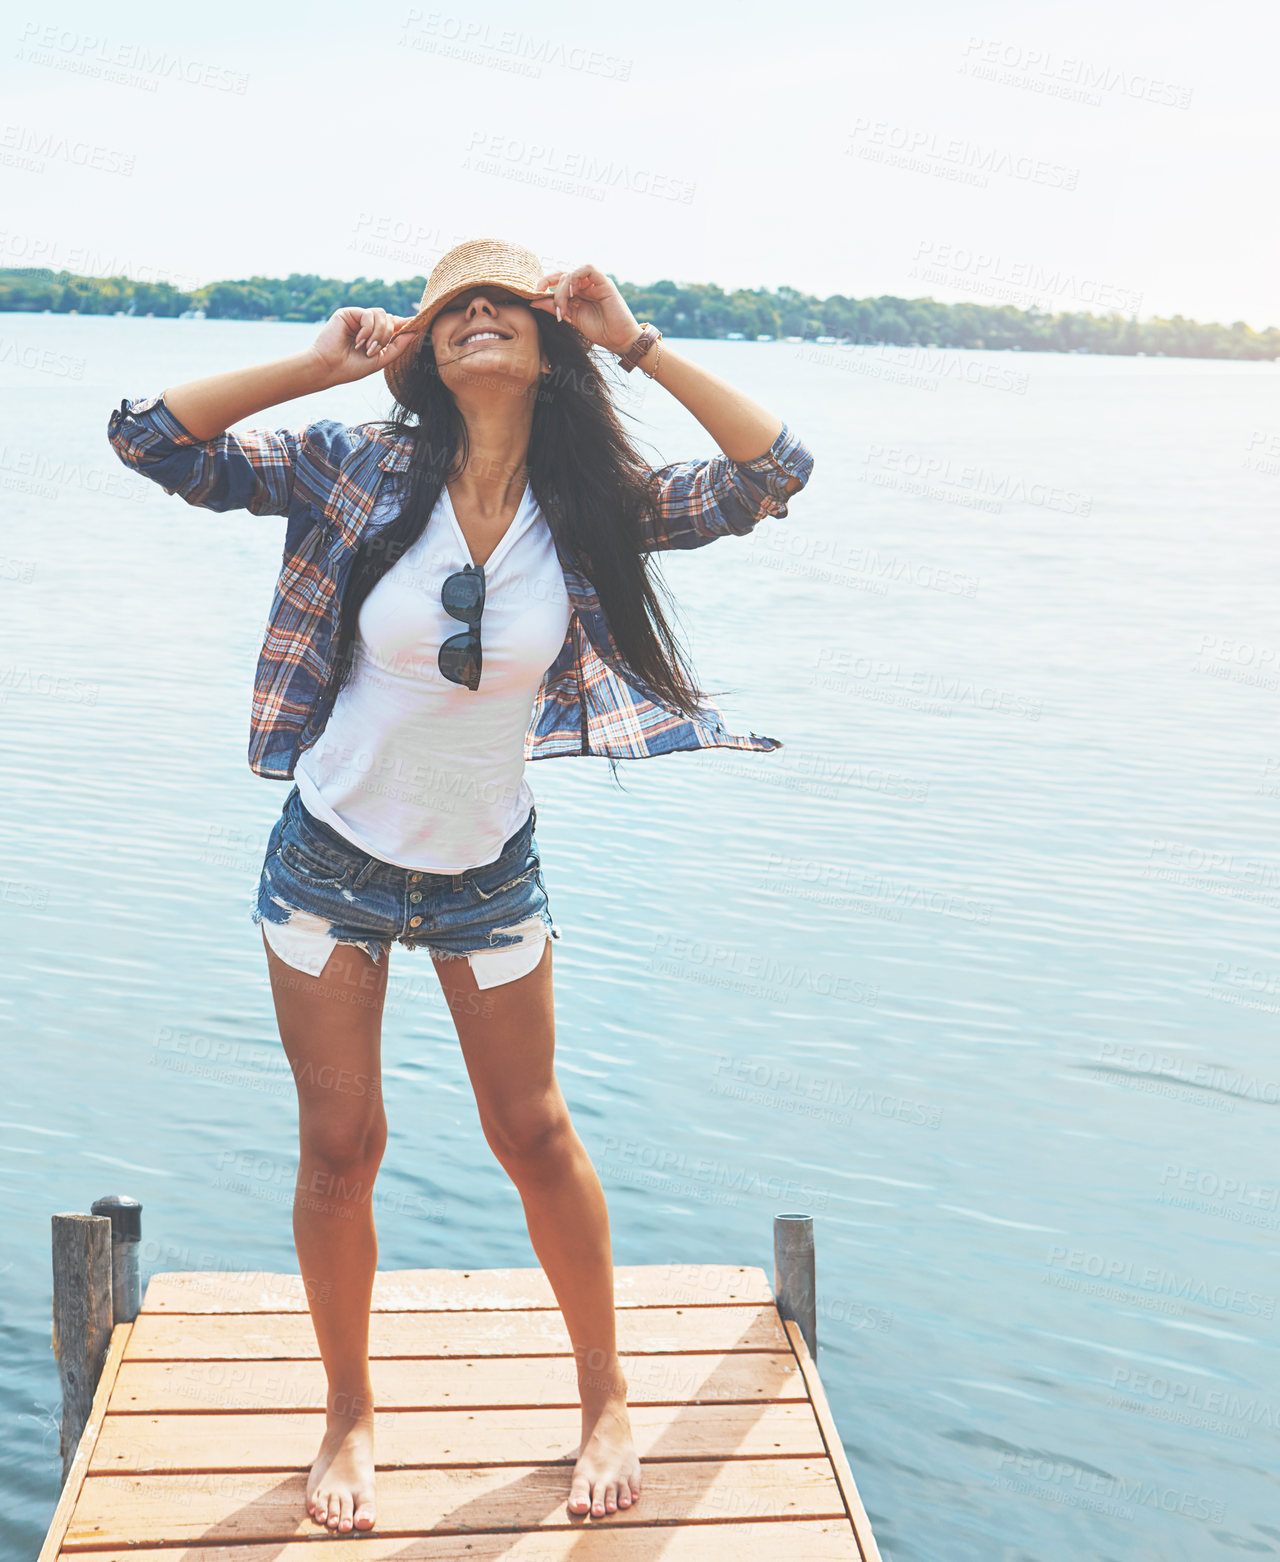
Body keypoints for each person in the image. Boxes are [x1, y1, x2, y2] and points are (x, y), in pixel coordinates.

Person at [107, 236, 814, 1534]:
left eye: (508, 303)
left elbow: (773, 472)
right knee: (342, 1146)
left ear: (546, 346)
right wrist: (317, 363)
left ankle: (604, 1396)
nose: (479, 315)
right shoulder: (359, 465)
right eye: (453, 307)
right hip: (328, 865)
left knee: (534, 1134)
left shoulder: (589, 497)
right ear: (428, 351)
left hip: (489, 873)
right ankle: (349, 1414)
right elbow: (153, 439)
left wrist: (633, 336)